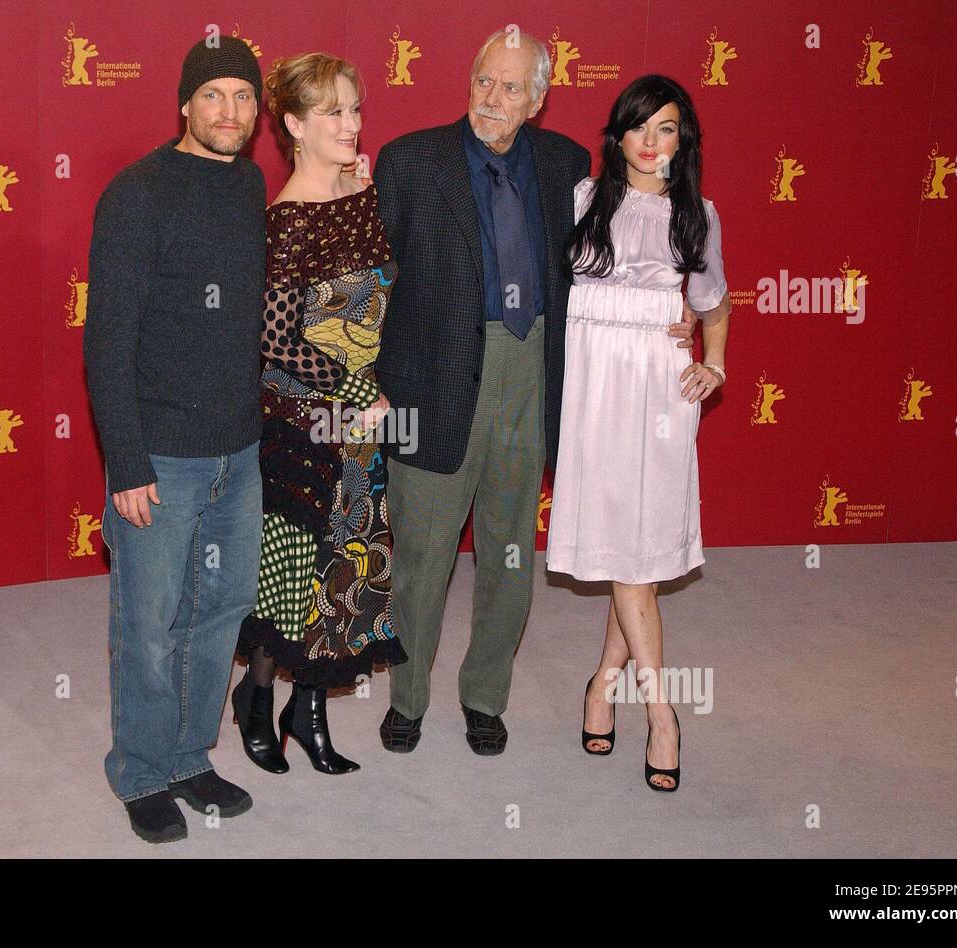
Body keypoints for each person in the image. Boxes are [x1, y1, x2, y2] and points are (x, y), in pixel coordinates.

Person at [372, 30, 696, 756]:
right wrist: (368, 387)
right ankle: (408, 697)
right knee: (421, 558)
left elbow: (629, 253)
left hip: (530, 377)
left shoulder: (569, 170)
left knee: (509, 552)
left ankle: (485, 697)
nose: (493, 98)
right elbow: (372, 284)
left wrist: (676, 312)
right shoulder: (409, 161)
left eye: (512, 87)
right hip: (430, 385)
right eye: (484, 81)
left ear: (539, 100)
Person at [83, 35, 266, 843]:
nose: (231, 112)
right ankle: (142, 770)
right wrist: (125, 459)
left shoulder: (252, 182)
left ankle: (191, 756)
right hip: (159, 456)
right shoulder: (138, 194)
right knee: (148, 625)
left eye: (244, 97)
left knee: (217, 615)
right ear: (186, 105)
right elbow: (107, 340)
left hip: (240, 451)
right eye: (215, 95)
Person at [546, 74, 733, 793]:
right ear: (617, 135)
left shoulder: (699, 215)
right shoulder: (583, 202)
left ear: (682, 140)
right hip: (594, 390)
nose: (653, 143)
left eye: (668, 129)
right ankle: (602, 686)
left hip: (657, 388)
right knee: (633, 559)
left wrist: (714, 366)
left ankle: (657, 712)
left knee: (639, 560)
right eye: (640, 128)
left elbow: (713, 304)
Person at [232, 52, 406, 775]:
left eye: (354, 107)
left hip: (360, 423)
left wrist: (368, 395)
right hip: (307, 422)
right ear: (294, 125)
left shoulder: (361, 197)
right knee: (294, 570)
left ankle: (310, 710)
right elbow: (272, 342)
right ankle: (258, 696)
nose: (349, 122)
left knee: (344, 572)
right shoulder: (287, 222)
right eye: (331, 111)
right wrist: (360, 394)